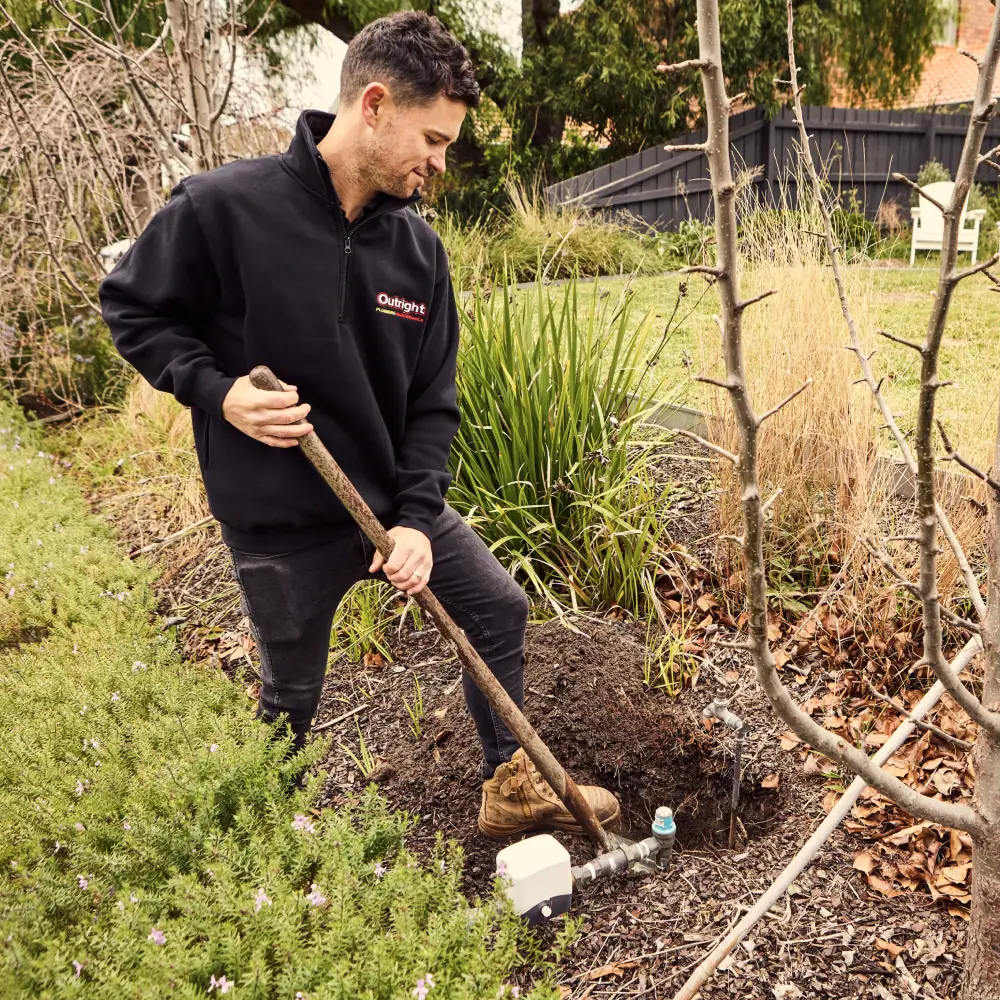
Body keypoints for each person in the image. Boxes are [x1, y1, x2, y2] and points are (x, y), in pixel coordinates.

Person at [99, 10, 619, 838]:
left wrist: (415, 521)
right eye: (434, 138)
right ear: (373, 104)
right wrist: (217, 392)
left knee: (496, 609)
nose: (440, 163)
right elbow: (132, 309)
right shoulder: (222, 209)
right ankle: (261, 848)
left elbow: (432, 404)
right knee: (292, 697)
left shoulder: (419, 254)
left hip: (386, 506)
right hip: (281, 523)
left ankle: (510, 786)